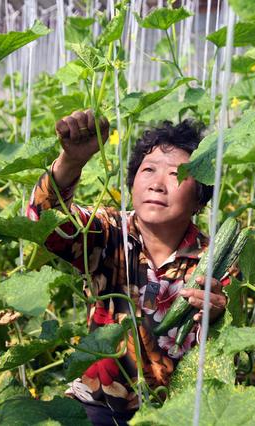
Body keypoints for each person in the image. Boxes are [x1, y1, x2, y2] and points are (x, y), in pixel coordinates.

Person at [27, 109, 230, 425]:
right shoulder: (108, 232)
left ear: (200, 199)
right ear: (133, 183)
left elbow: (227, 351)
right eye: (148, 170)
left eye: (177, 174)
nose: (158, 184)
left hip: (176, 411)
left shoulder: (217, 260)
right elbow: (43, 223)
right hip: (98, 402)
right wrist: (71, 162)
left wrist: (218, 317)